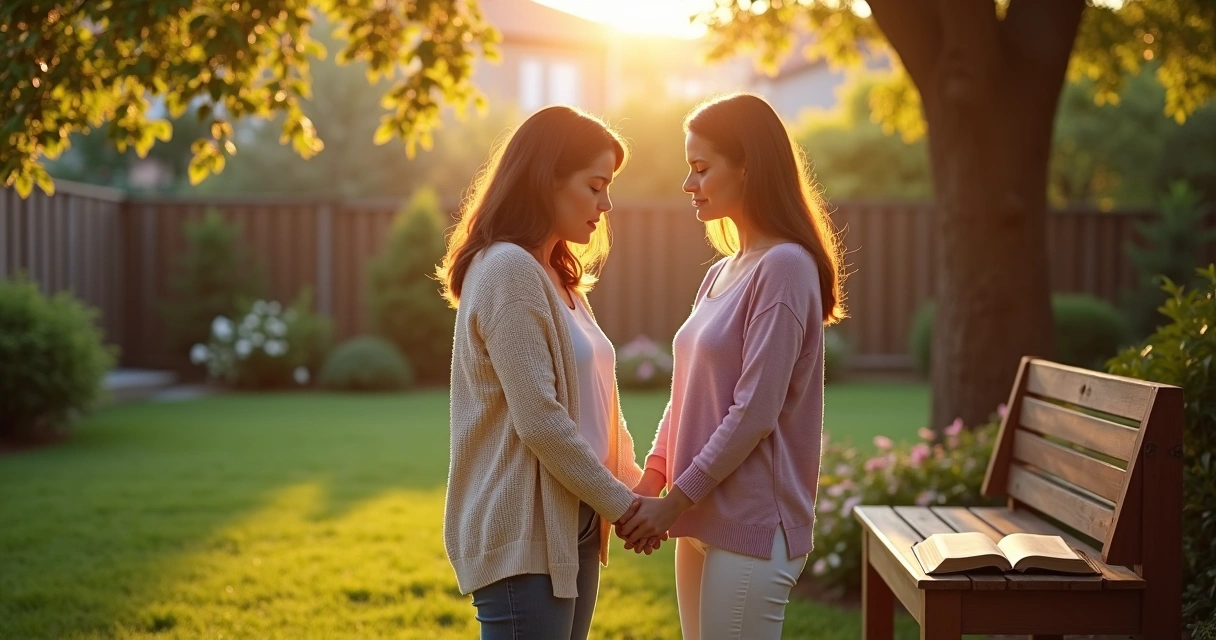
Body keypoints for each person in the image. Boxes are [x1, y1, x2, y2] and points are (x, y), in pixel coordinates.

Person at [617, 93, 846, 639]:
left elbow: (755, 412)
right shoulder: (721, 272)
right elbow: (685, 394)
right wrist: (652, 483)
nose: (687, 183)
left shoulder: (785, 267)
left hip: (752, 524)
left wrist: (673, 501)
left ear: (748, 168)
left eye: (701, 168)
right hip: (698, 514)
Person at [437, 105, 660, 640]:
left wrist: (638, 496)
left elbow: (599, 407)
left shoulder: (558, 277)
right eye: (595, 186)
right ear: (546, 180)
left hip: (575, 518)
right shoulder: (508, 270)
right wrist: (625, 506)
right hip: (524, 530)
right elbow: (541, 421)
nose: (606, 204)